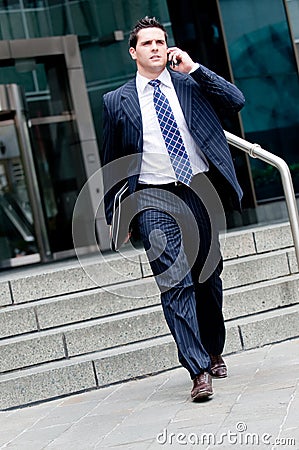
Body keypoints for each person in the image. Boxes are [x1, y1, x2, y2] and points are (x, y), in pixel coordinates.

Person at [101, 16, 245, 401]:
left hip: (199, 190)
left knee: (208, 276)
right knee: (174, 280)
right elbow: (111, 161)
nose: (155, 48)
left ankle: (213, 348)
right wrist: (118, 214)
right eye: (147, 43)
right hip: (151, 198)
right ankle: (198, 370)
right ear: (133, 52)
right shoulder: (117, 101)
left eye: (160, 42)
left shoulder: (189, 84)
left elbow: (236, 102)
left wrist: (196, 68)